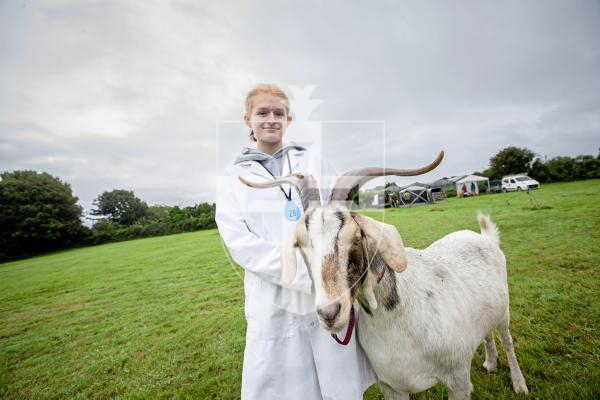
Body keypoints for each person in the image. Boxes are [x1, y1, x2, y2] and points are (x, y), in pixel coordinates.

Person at [215, 84, 375, 399]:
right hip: (271, 290)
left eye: (279, 112)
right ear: (248, 119)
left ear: (289, 118)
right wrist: (302, 273)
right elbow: (239, 242)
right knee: (282, 377)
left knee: (336, 373)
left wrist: (327, 270)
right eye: (262, 112)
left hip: (327, 281)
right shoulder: (232, 178)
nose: (271, 119)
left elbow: (339, 213)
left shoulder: (314, 160)